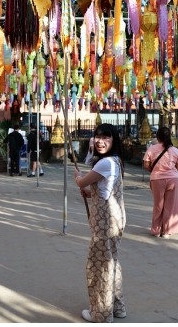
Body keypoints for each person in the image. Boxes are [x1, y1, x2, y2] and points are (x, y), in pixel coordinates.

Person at [74, 123, 127, 323]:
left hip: (106, 222)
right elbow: (103, 191)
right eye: (97, 137)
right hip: (113, 219)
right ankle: (117, 307)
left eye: (106, 138)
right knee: (112, 262)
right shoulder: (115, 161)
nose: (100, 141)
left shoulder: (105, 163)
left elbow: (82, 181)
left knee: (99, 265)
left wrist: (78, 178)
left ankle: (101, 313)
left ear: (113, 141)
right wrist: (89, 193)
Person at [143, 126, 178, 237]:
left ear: (157, 137)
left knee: (158, 205)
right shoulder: (175, 150)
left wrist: (155, 171)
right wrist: (170, 171)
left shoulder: (151, 149)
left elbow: (146, 165)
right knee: (171, 206)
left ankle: (156, 230)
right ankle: (167, 231)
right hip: (173, 179)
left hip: (157, 179)